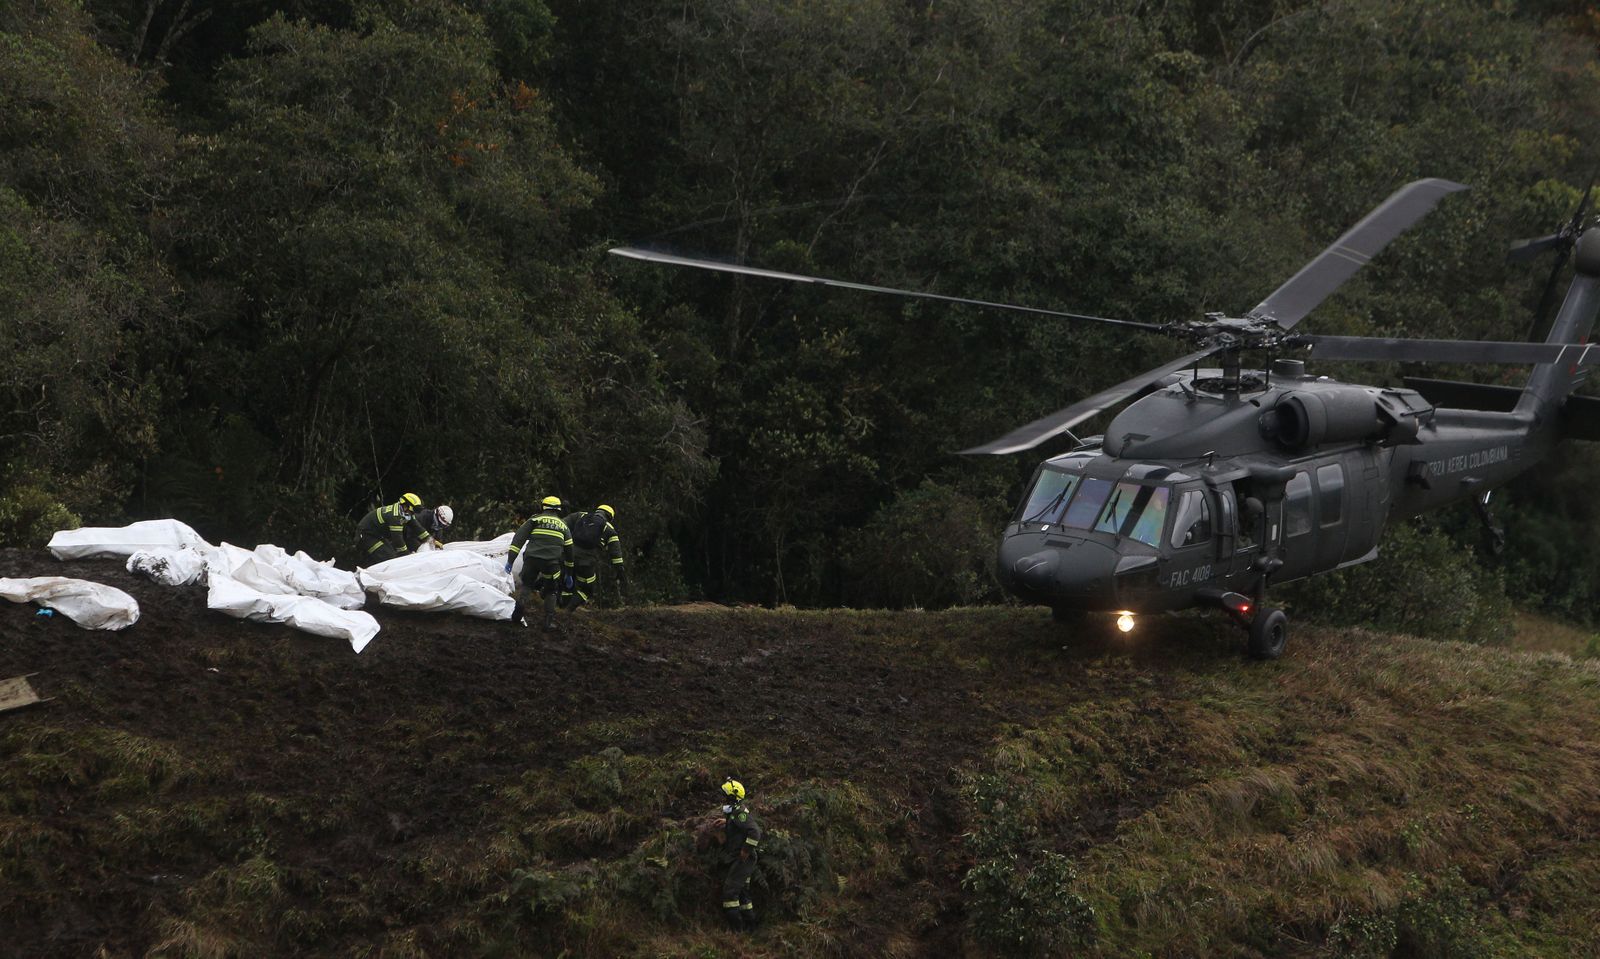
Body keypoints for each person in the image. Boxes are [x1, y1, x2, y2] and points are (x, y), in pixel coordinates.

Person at [505, 496, 574, 631]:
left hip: (532, 560)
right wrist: (569, 574)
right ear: (558, 509)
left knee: (527, 585)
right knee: (551, 590)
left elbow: (517, 540)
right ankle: (548, 623)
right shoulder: (564, 526)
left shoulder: (534, 520)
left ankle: (518, 613)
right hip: (552, 564)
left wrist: (510, 561)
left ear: (543, 507)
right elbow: (569, 552)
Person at [561, 503, 628, 610]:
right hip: (586, 563)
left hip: (567, 556)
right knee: (586, 590)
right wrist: (620, 572)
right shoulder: (610, 529)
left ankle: (560, 608)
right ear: (610, 517)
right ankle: (567, 611)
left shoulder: (580, 515)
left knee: (566, 583)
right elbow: (616, 555)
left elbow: (562, 524)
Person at [717, 778, 763, 931]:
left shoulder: (739, 814)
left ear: (732, 797)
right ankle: (751, 927)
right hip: (741, 859)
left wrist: (745, 850)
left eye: (725, 796)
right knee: (743, 892)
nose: (723, 799)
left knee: (730, 892)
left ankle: (737, 931)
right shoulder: (734, 814)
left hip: (744, 860)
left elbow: (755, 832)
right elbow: (738, 828)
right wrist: (726, 823)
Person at [355, 492, 430, 564]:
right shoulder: (394, 516)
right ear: (405, 506)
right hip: (366, 535)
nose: (412, 514)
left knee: (393, 556)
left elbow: (417, 527)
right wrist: (407, 556)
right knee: (389, 557)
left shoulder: (405, 513)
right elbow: (398, 540)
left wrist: (430, 540)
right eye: (412, 511)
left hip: (377, 535)